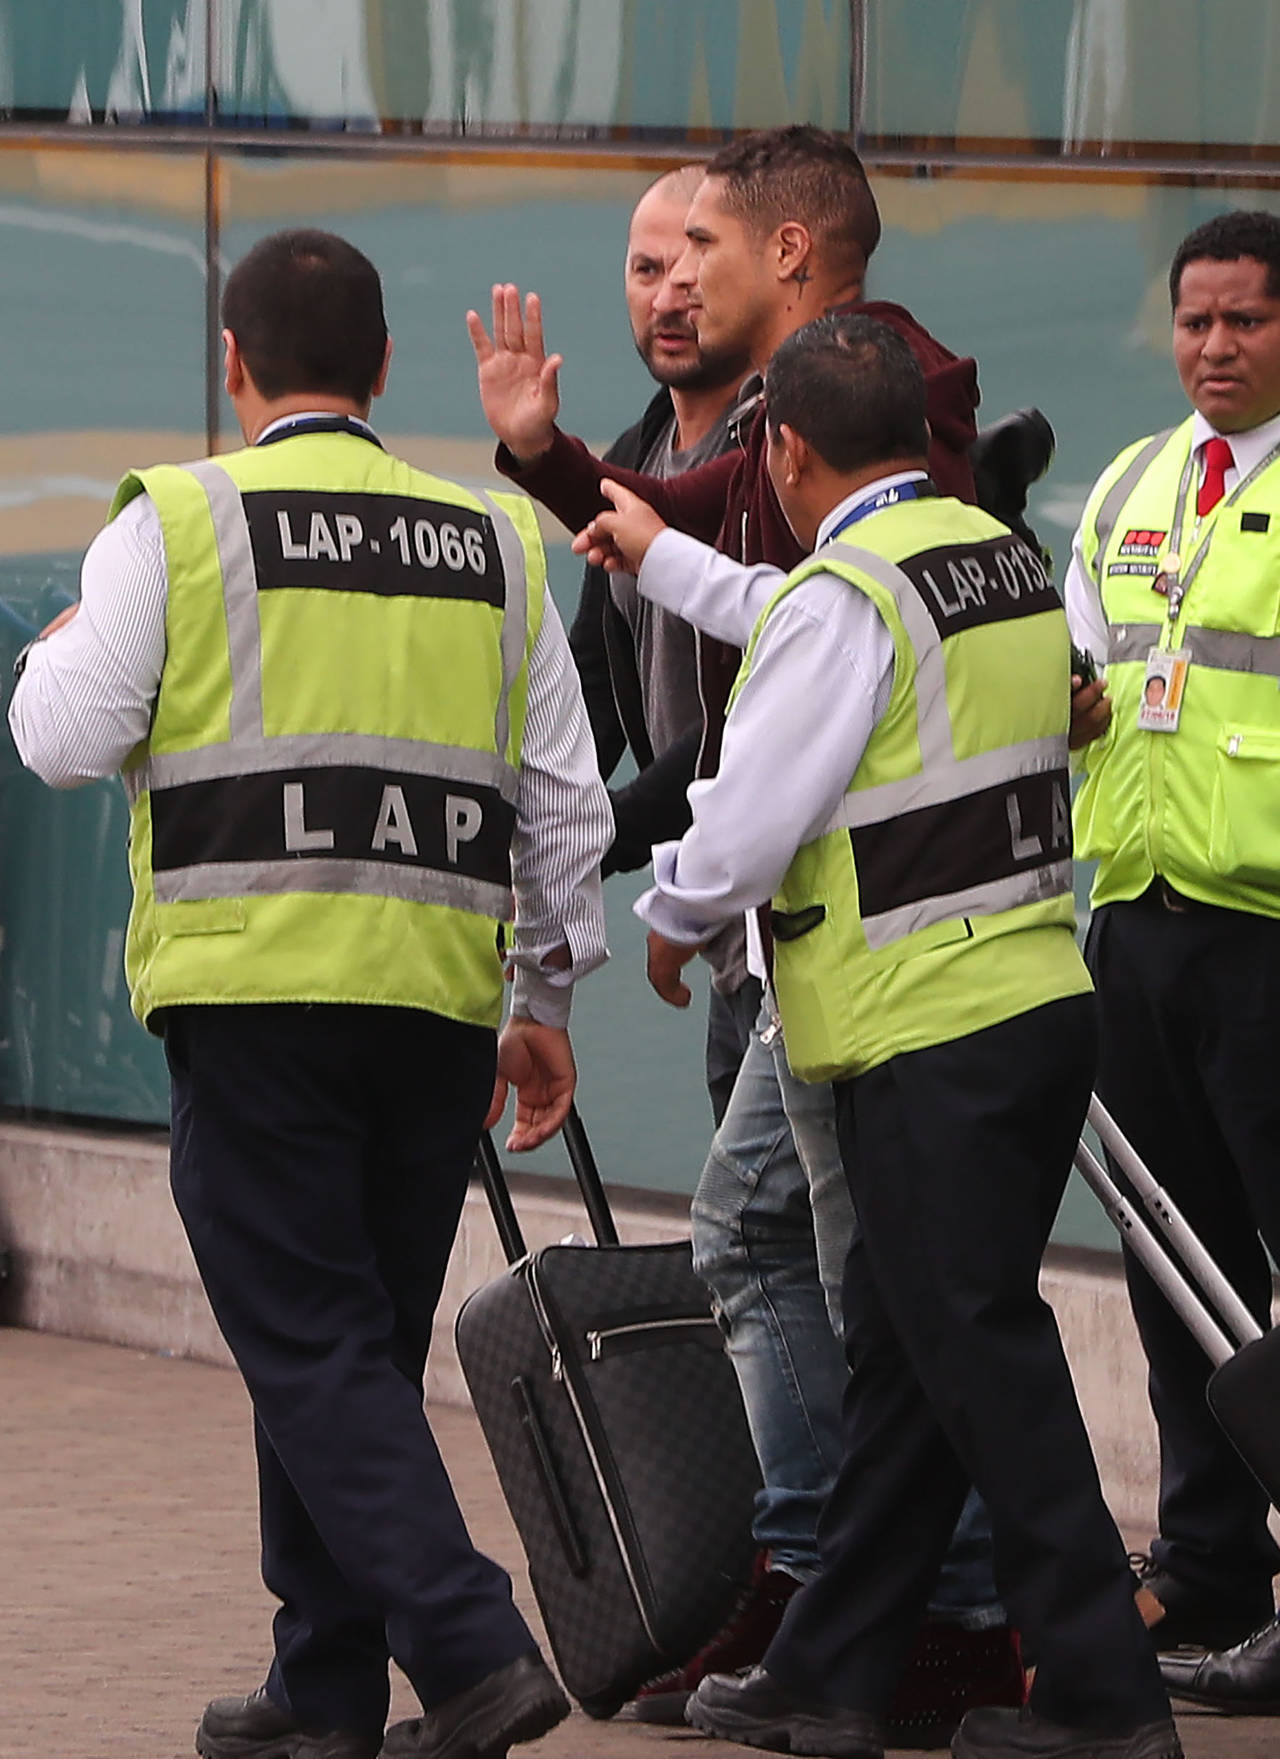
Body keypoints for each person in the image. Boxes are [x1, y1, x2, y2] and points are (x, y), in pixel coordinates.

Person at [9, 228, 612, 1759]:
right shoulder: (489, 536)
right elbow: (564, 799)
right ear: (389, 369)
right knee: (349, 1345)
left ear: (235, 362)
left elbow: (62, 737)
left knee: (313, 1347)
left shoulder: (181, 521)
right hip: (432, 1002)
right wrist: (543, 990)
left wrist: (70, 641)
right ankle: (323, 1687)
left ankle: (473, 1647)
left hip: (255, 989)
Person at [471, 125, 1018, 1735]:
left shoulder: (893, 404)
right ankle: (876, 1589)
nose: (676, 273)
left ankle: (897, 1593)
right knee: (814, 1253)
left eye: (700, 241)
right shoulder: (790, 415)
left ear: (789, 255)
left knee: (839, 1262)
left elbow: (827, 658)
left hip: (883, 946)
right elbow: (695, 545)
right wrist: (550, 452)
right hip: (813, 945)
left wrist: (683, 883)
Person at [578, 311, 1180, 1759]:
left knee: (982, 1357)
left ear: (783, 445)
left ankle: (1107, 1694)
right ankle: (831, 1668)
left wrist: (673, 909)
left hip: (928, 1034)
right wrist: (667, 559)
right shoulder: (1006, 558)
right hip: (1035, 1006)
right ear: (917, 434)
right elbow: (1061, 698)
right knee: (914, 1357)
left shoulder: (847, 591)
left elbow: (752, 809)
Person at [1065, 209, 1280, 1713]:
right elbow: (1081, 674)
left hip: (1269, 932)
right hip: (1136, 914)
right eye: (1196, 322)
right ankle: (1207, 1561)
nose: (1214, 348)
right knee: (1173, 1263)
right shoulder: (1134, 482)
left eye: (1246, 322)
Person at [568, 162, 759, 1122]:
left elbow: (754, 709)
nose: (669, 297)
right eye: (647, 271)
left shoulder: (781, 452)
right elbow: (590, 691)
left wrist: (610, 837)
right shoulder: (636, 454)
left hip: (785, 909)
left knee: (761, 1236)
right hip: (719, 915)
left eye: (692, 269)